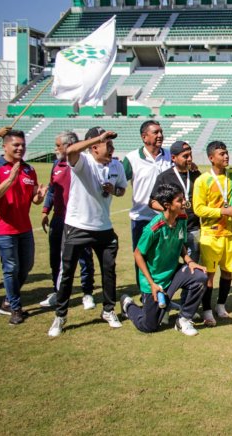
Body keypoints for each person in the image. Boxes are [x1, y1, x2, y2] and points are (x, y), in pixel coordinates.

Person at [48, 127, 127, 337]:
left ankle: (108, 310)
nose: (111, 149)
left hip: (104, 227)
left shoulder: (117, 165)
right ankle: (60, 315)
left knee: (109, 271)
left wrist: (114, 190)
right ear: (94, 147)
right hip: (77, 225)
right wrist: (98, 137)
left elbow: (122, 190)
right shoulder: (83, 162)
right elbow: (70, 151)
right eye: (106, 145)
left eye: (111, 145)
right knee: (67, 274)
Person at [121, 183, 208, 336]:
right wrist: (152, 283)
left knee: (199, 276)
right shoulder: (153, 228)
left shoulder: (182, 218)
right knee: (149, 326)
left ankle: (184, 319)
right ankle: (128, 305)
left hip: (173, 272)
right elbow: (137, 254)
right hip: (155, 279)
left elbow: (179, 241)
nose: (184, 203)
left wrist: (189, 260)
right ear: (167, 205)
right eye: (180, 201)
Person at [0, 129, 46, 324]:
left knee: (26, 265)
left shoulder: (28, 169)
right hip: (2, 229)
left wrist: (39, 197)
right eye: (16, 145)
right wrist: (10, 179)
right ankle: (15, 309)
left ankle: (8, 302)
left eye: (23, 145)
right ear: (5, 146)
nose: (20, 148)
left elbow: (33, 198)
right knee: (10, 268)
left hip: (24, 227)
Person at [40, 132, 95, 310]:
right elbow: (51, 190)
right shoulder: (56, 164)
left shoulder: (82, 164)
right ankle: (58, 292)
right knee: (56, 257)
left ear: (69, 145)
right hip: (59, 219)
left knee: (84, 258)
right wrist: (45, 210)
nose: (55, 149)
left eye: (58, 146)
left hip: (79, 220)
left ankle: (87, 293)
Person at [192, 141, 232, 325]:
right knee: (209, 275)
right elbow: (198, 209)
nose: (226, 156)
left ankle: (221, 305)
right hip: (211, 235)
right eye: (221, 154)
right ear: (211, 158)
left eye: (227, 153)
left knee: (228, 272)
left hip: (230, 234)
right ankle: (206, 310)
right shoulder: (203, 180)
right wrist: (222, 212)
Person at [123, 120, 172, 282]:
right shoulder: (131, 158)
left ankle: (162, 294)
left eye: (161, 132)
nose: (160, 135)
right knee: (142, 258)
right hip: (141, 219)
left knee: (162, 258)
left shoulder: (169, 156)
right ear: (144, 137)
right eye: (156, 132)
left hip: (165, 218)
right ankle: (146, 295)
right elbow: (120, 183)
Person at [149, 141, 202, 259]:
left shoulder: (196, 174)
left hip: (194, 228)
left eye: (190, 155)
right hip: (172, 229)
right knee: (169, 264)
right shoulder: (164, 177)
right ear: (173, 158)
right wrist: (168, 209)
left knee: (194, 265)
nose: (189, 159)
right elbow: (152, 202)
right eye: (185, 156)